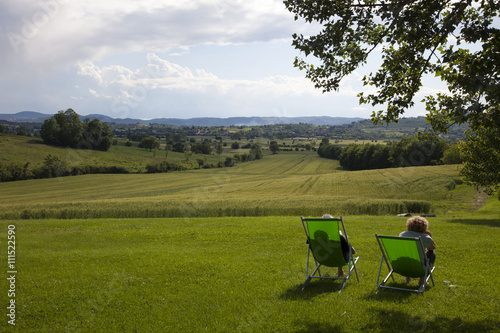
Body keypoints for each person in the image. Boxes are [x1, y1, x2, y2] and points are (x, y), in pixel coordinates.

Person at [399, 216, 436, 285]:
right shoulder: (425, 238)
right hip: (419, 268)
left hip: (402, 267)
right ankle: (422, 280)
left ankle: (407, 279)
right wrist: (430, 236)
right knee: (431, 253)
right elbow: (432, 248)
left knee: (408, 254)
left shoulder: (402, 234)